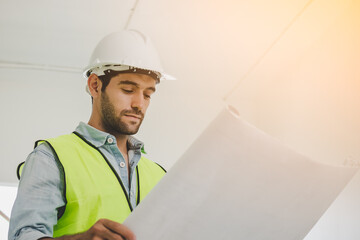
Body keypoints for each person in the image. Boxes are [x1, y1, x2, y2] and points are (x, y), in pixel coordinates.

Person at [8, 30, 175, 240]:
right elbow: (23, 236)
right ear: (95, 85)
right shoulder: (51, 158)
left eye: (147, 94)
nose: (139, 104)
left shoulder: (161, 176)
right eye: (128, 90)